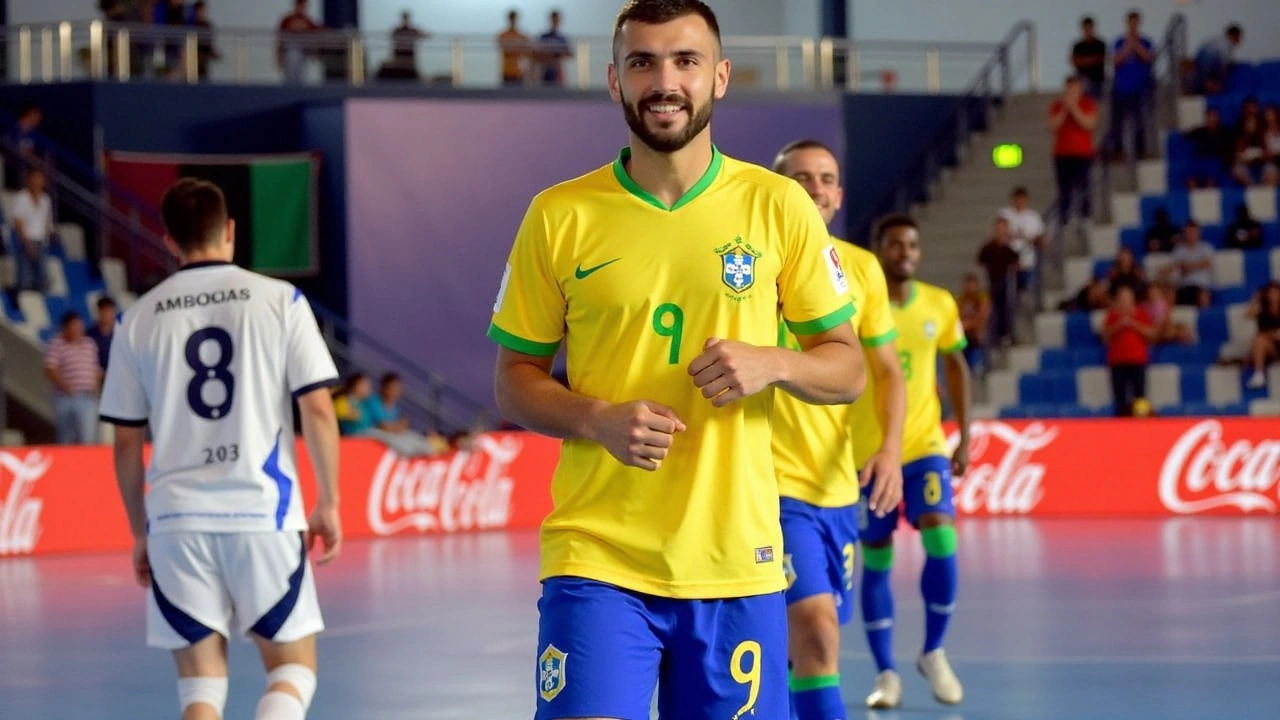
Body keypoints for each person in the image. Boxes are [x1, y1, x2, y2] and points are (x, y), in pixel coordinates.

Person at [485, 2, 866, 718]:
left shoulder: (778, 205)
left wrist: (775, 363)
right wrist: (596, 418)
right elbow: (513, 382)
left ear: (720, 77)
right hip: (598, 560)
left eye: (686, 61)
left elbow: (847, 368)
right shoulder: (558, 215)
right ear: (614, 81)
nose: (665, 81)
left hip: (738, 563)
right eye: (643, 62)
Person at [99, 178, 343, 720]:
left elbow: (124, 441)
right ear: (230, 231)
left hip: (177, 521)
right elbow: (319, 409)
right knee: (292, 671)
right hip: (263, 514)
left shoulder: (136, 320)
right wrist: (328, 501)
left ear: (168, 239)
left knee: (201, 690)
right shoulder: (281, 300)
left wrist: (140, 532)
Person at [771, 139, 906, 720]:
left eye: (826, 178)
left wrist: (892, 451)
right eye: (800, 178)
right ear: (779, 190)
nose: (815, 188)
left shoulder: (862, 269)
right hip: (770, 486)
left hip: (838, 490)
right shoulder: (750, 265)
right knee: (817, 631)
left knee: (812, 648)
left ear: (839, 193)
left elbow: (887, 373)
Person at [856, 214, 972, 710]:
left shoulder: (939, 304)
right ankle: (886, 673)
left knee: (941, 534)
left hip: (924, 444)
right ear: (879, 249)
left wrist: (964, 434)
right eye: (895, 244)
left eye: (912, 245)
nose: (905, 252)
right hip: (868, 451)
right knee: (877, 555)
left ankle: (933, 650)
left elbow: (956, 364)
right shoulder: (857, 302)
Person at [1101, 285, 1155, 416]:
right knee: (1119, 397)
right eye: (1122, 298)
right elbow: (1105, 336)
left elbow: (1151, 334)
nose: (1124, 301)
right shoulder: (1112, 316)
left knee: (1139, 396)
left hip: (1137, 360)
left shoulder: (1141, 314)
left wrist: (1133, 324)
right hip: (1117, 362)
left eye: (1127, 297)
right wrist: (1119, 325)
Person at [1245, 282, 1280, 389]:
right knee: (1259, 340)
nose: (1273, 296)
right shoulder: (1263, 310)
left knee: (1260, 339)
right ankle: (1259, 375)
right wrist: (1254, 300)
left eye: (1276, 293)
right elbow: (1247, 315)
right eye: (1271, 293)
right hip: (1269, 347)